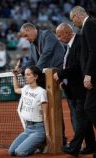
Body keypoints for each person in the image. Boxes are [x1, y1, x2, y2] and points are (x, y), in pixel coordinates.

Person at [54, 23, 95, 156]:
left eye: (60, 35)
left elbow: (78, 66)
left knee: (81, 120)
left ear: (67, 32)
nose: (59, 38)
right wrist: (65, 83)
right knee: (85, 121)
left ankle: (74, 148)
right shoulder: (70, 45)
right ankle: (90, 146)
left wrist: (60, 74)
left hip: (83, 89)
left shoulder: (79, 41)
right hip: (75, 89)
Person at [69, 6, 96, 157]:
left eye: (72, 19)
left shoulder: (89, 24)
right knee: (90, 107)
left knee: (90, 107)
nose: (73, 23)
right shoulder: (88, 25)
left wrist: (88, 74)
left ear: (78, 15)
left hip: (93, 76)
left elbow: (93, 50)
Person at [8, 65, 50, 157]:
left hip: (38, 130)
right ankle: (35, 145)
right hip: (27, 129)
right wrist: (14, 76)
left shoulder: (41, 92)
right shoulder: (26, 88)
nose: (25, 77)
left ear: (35, 77)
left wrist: (47, 134)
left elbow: (45, 114)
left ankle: (38, 146)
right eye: (25, 75)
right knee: (11, 151)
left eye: (28, 74)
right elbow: (16, 89)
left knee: (19, 152)